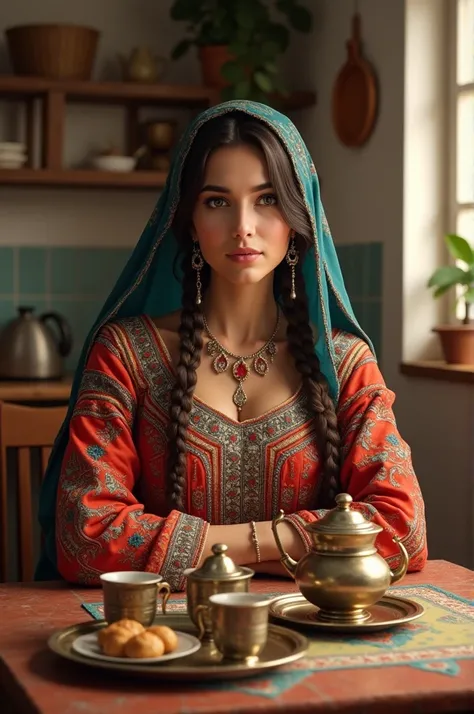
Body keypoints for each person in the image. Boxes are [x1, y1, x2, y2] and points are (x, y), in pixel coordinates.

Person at [36, 100, 427, 590]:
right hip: (166, 641)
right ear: (190, 222)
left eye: (266, 200)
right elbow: (87, 537)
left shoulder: (345, 362)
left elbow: (402, 532)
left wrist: (209, 552)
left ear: (296, 216)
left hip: (317, 634)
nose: (243, 225)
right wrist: (297, 546)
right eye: (217, 201)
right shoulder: (126, 355)